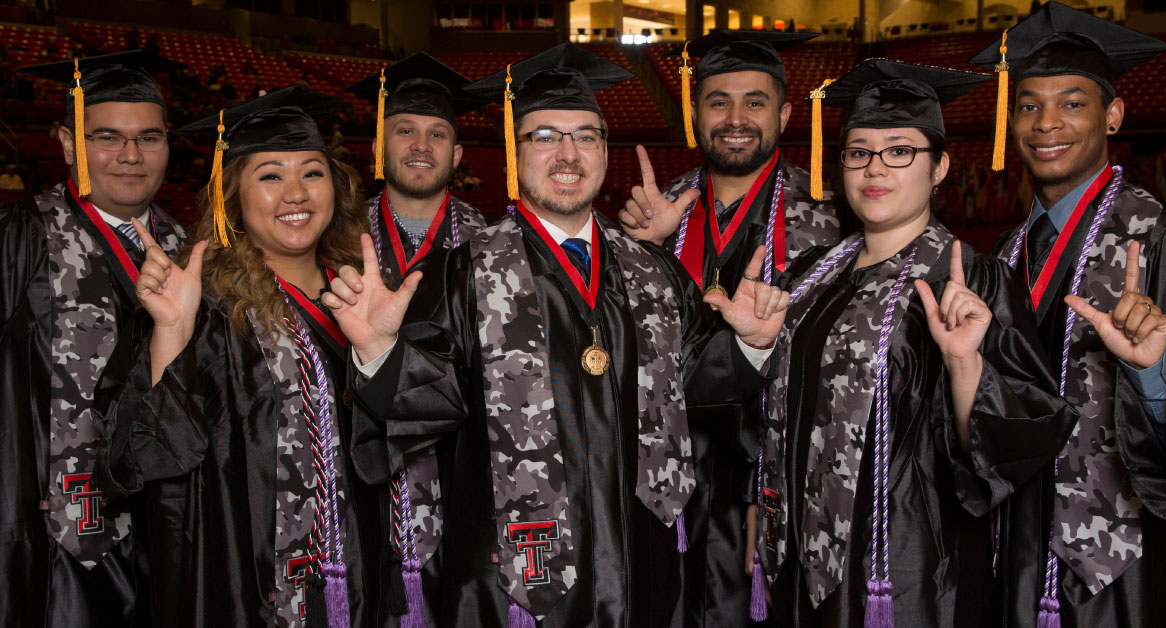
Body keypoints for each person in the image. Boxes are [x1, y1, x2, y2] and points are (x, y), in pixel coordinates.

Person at [333, 42, 792, 627]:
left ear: (605, 151)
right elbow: (430, 404)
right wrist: (376, 352)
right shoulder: (466, 271)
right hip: (516, 576)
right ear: (513, 150)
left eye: (585, 136)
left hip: (641, 562)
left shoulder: (655, 272)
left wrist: (750, 345)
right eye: (545, 136)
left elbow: (698, 387)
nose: (568, 153)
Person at [750, 59, 1077, 627]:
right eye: (858, 151)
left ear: (940, 167)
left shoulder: (971, 281)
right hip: (796, 557)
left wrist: (964, 364)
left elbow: (1024, 440)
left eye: (900, 150)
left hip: (907, 571)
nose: (875, 168)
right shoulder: (807, 276)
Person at [92, 85, 404, 627]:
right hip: (243, 584)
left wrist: (379, 349)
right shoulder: (205, 306)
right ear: (232, 196)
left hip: (363, 571)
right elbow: (136, 461)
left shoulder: (364, 295)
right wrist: (171, 331)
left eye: (311, 171)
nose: (296, 193)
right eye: (269, 176)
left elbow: (426, 434)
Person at [970, 3, 1166, 626]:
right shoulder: (1006, 252)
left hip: (1119, 561)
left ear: (1113, 115)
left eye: (1072, 103)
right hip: (1012, 545)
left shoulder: (1158, 243)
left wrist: (1152, 379)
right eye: (1028, 104)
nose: (1046, 123)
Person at [617, 29, 842, 627]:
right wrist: (650, 252)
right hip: (659, 481)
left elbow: (823, 386)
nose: (735, 118)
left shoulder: (826, 221)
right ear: (695, 112)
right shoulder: (662, 208)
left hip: (762, 485)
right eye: (718, 101)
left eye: (755, 101)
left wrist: (767, 491)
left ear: (786, 113)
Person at [0, 50, 188, 627]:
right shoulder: (23, 237)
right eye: (107, 137)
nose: (131, 155)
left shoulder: (191, 253)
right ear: (66, 143)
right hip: (51, 536)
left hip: (162, 534)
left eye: (148, 138)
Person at [344, 51, 489, 624]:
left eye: (436, 134)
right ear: (380, 147)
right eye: (404, 130)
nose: (420, 146)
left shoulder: (495, 244)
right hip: (359, 483)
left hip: (467, 483)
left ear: (456, 154)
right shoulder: (334, 240)